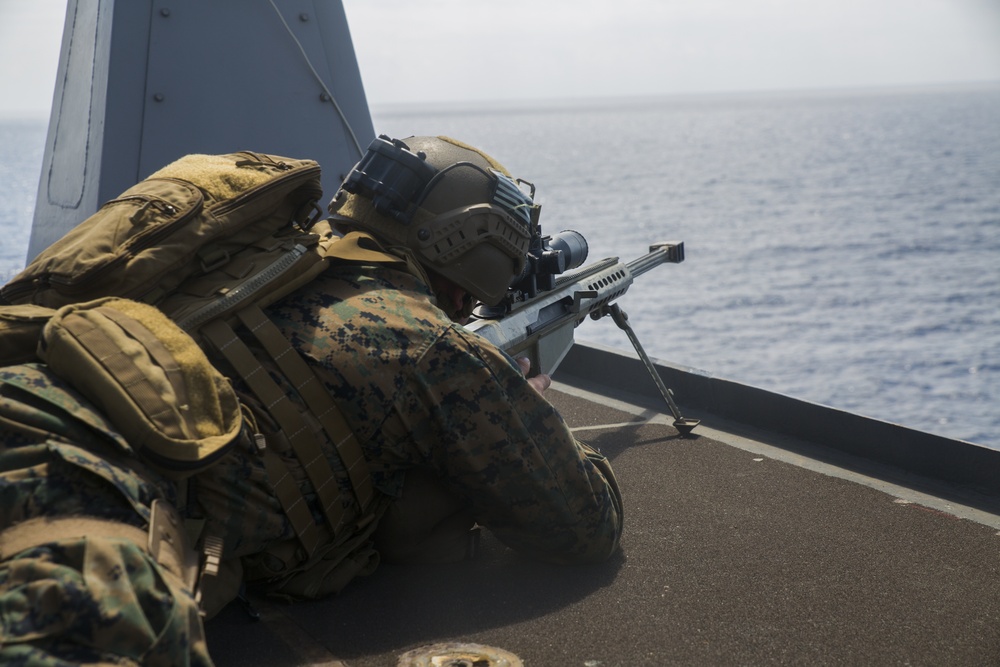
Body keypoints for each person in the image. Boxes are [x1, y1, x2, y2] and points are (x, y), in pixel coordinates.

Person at [0, 135, 623, 665]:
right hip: (82, 493)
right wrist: (536, 407)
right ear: (476, 244)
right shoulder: (429, 347)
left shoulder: (261, 262)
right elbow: (583, 528)